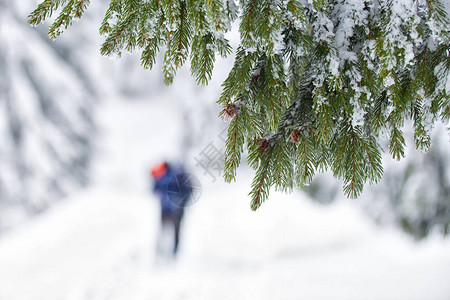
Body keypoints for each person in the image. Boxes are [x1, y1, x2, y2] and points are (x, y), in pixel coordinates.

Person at [151, 161, 193, 258]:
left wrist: (181, 202)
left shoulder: (179, 176)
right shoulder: (162, 175)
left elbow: (188, 191)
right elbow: (155, 188)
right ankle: (162, 252)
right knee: (165, 231)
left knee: (173, 231)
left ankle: (173, 253)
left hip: (175, 210)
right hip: (167, 209)